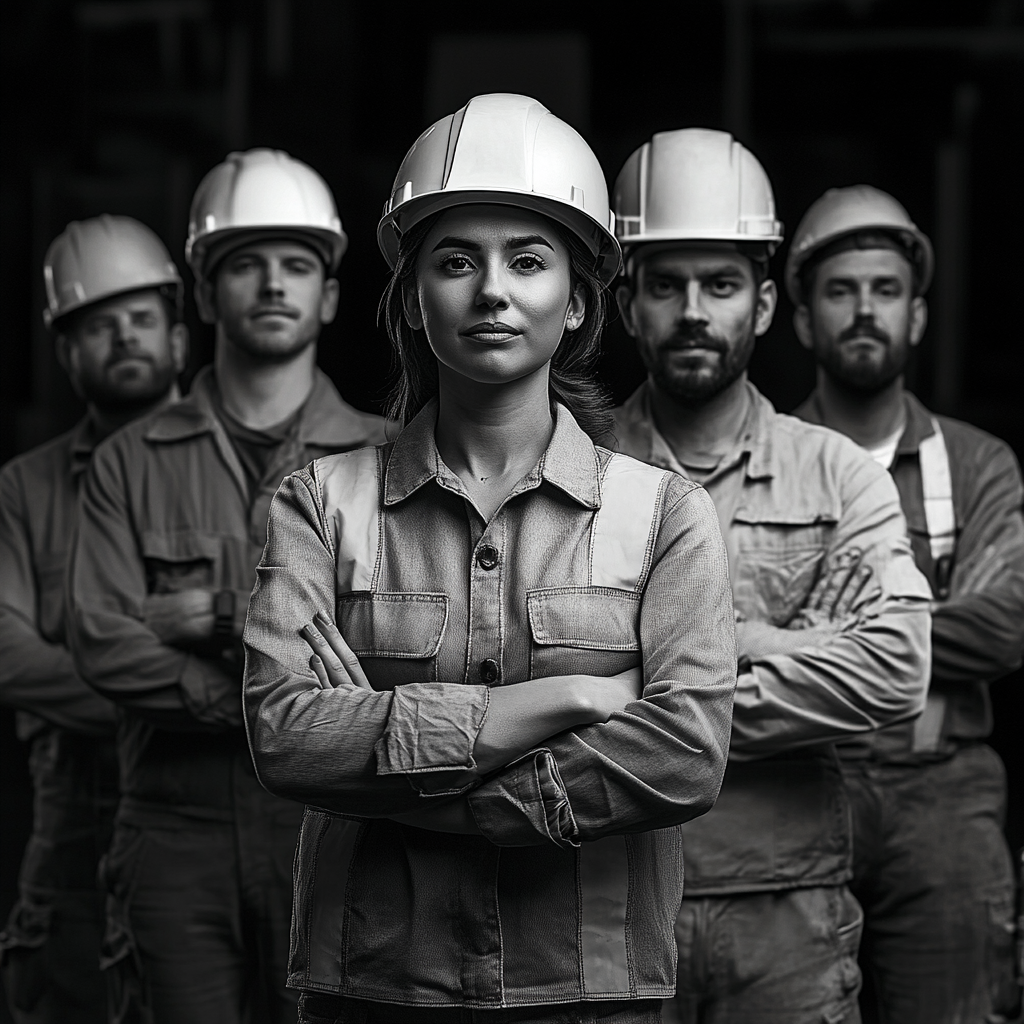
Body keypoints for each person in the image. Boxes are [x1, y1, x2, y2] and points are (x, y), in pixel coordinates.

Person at [242, 93, 738, 1024]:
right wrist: (561, 701)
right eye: (457, 261)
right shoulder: (318, 502)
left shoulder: (668, 514)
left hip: (588, 990)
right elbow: (283, 734)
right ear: (412, 296)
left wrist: (418, 783)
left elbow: (687, 754)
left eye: (530, 260)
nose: (493, 291)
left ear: (579, 299)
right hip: (374, 984)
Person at [608, 130, 934, 1024]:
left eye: (719, 286)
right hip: (610, 908)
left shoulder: (839, 476)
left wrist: (653, 695)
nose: (692, 312)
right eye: (666, 286)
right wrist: (772, 645)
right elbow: (527, 679)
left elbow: (897, 669)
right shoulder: (572, 477)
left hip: (789, 914)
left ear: (760, 305)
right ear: (627, 304)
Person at [67, 149, 389, 1024]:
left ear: (327, 296)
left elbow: (400, 651)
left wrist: (209, 615)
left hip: (332, 823)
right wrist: (263, 691)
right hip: (175, 830)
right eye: (245, 264)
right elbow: (99, 633)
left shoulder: (386, 460)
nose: (273, 285)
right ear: (206, 296)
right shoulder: (128, 462)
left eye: (296, 265)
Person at [789, 184, 1024, 1024]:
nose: (865, 311)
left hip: (945, 797)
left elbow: (1003, 630)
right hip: (798, 779)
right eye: (841, 291)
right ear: (804, 320)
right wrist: (918, 626)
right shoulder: (767, 458)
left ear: (917, 318)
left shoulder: (978, 464)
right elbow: (713, 637)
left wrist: (806, 635)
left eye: (886, 291)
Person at [0, 215, 187, 1024]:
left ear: (180, 338)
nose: (123, 339)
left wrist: (106, 657)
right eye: (97, 325)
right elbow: (7, 657)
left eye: (141, 319)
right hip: (72, 825)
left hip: (206, 817)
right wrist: (181, 692)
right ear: (64, 351)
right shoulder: (25, 488)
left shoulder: (254, 465)